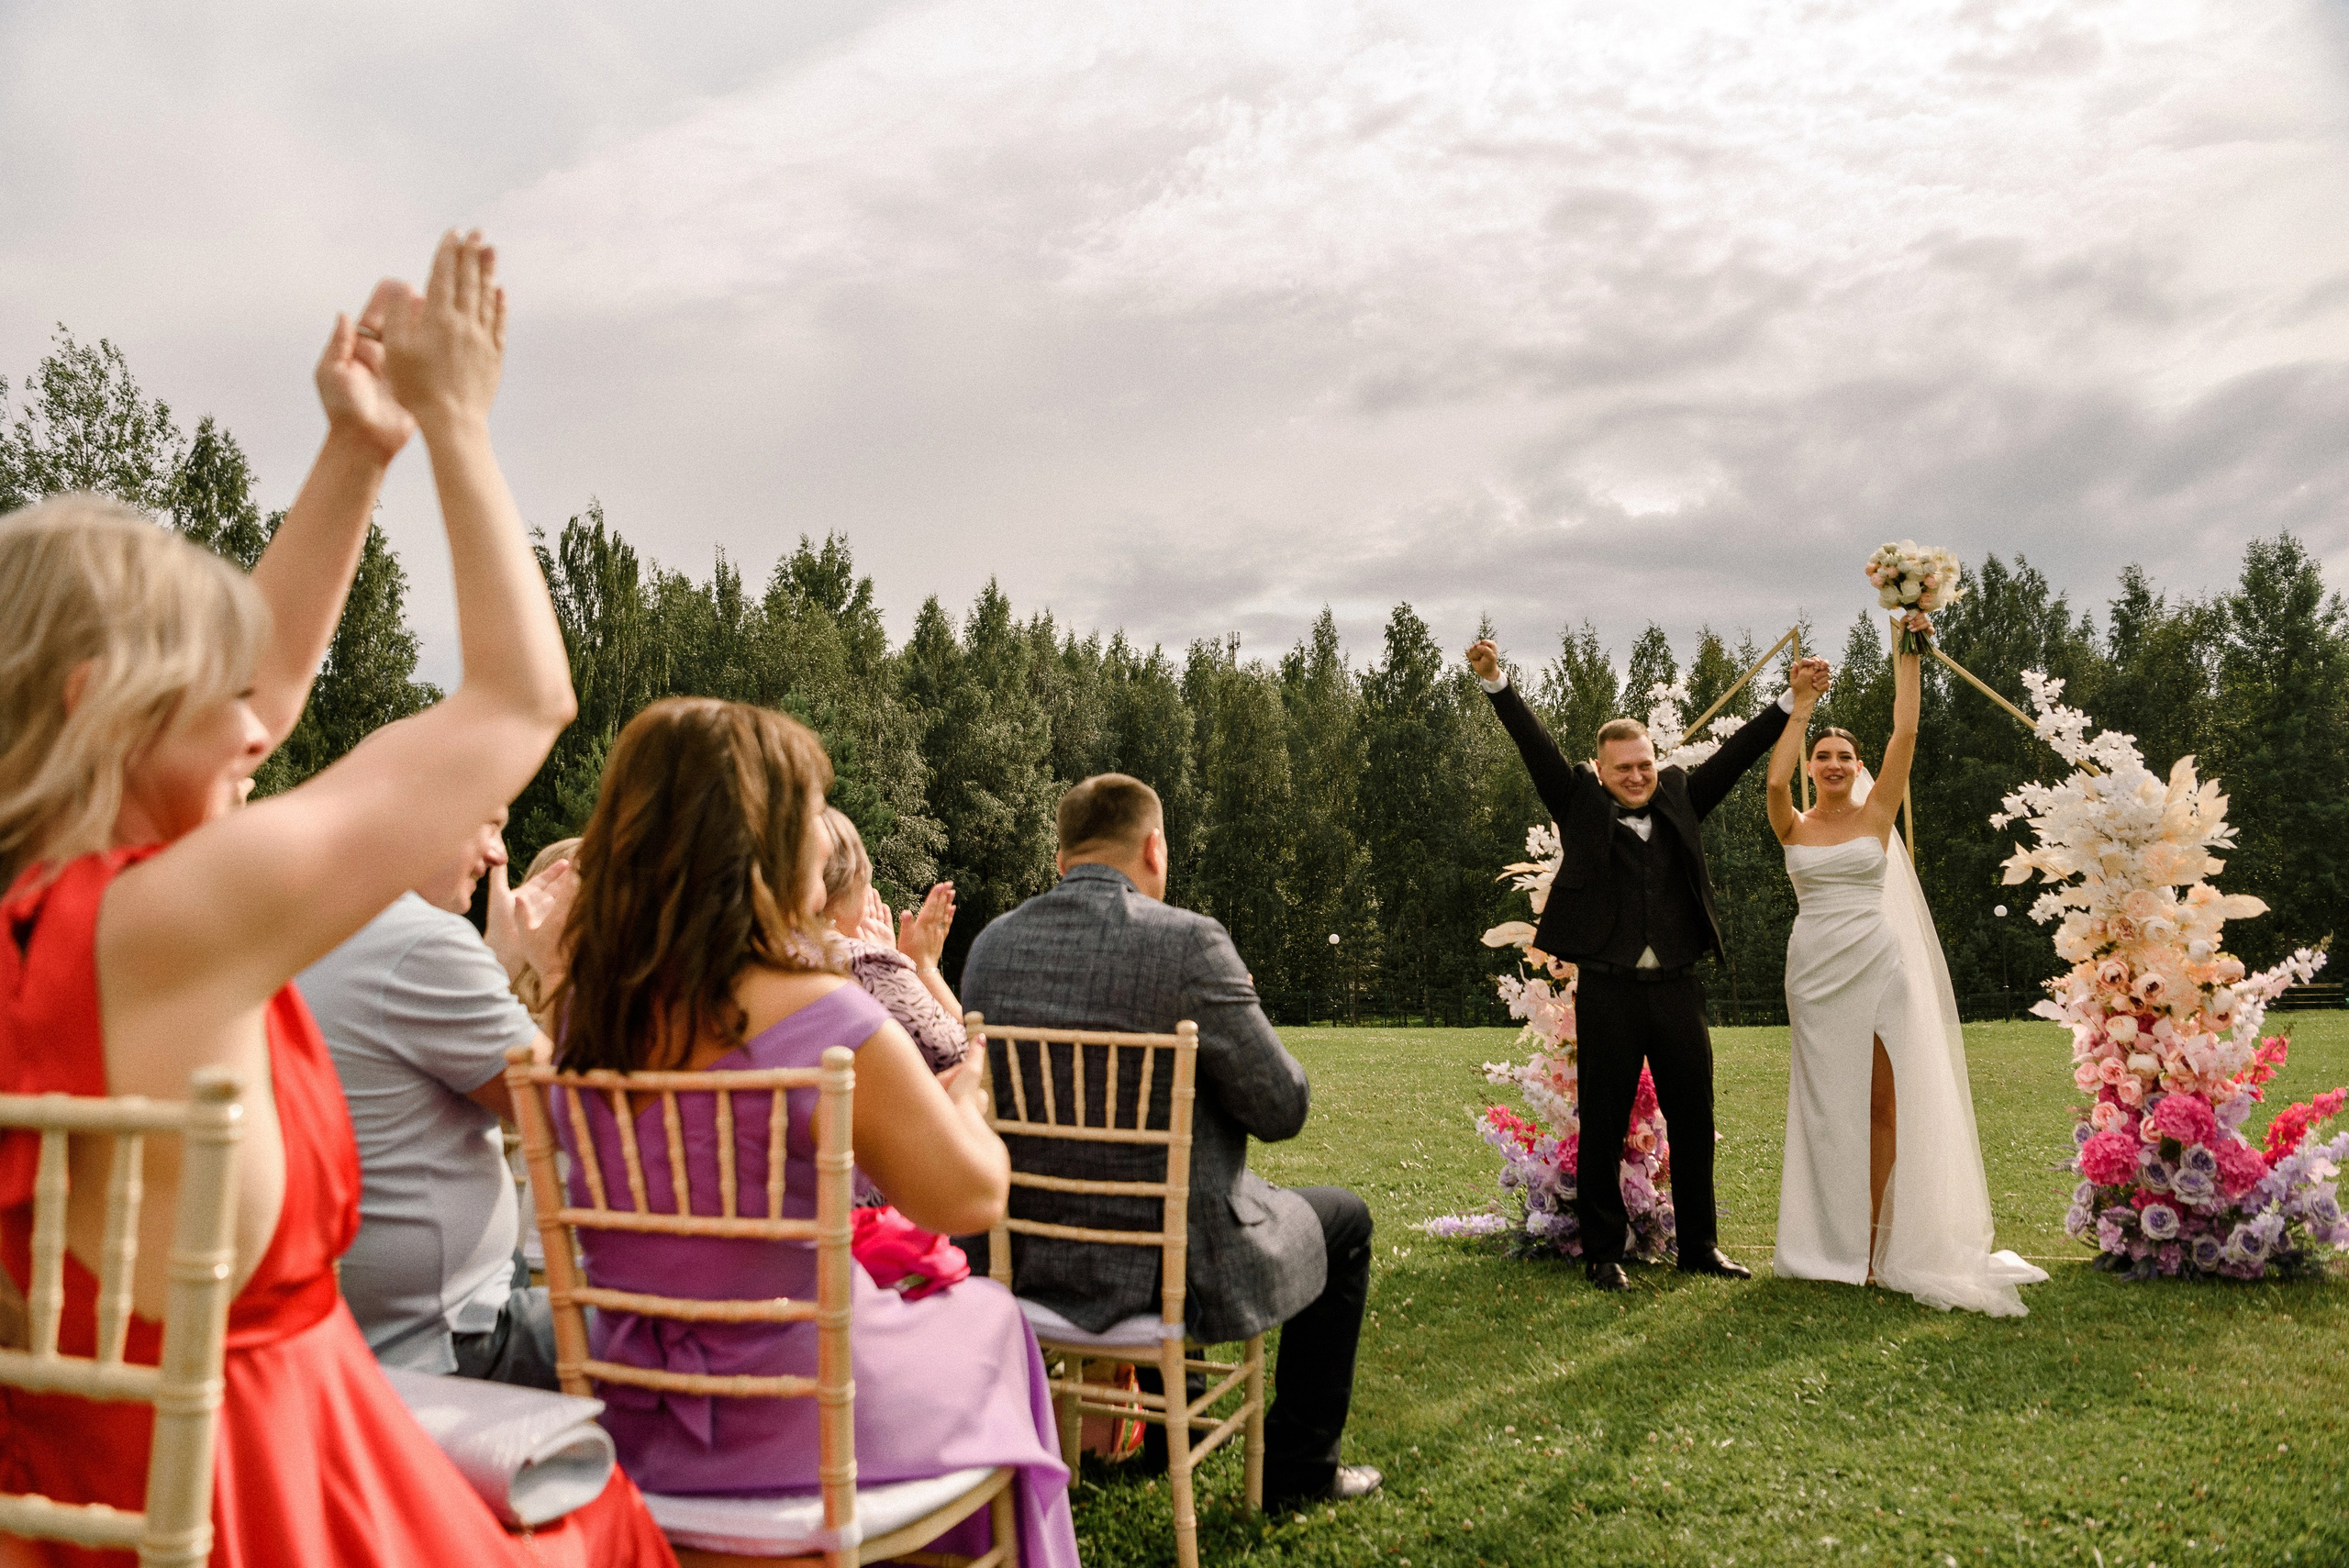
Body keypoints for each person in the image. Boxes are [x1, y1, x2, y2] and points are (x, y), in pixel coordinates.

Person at [0, 232, 672, 1565]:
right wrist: (457, 421)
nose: (262, 728)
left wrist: (358, 452)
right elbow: (520, 700)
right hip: (260, 1492)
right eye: (219, 693)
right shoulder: (167, 920)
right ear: (104, 707)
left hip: (76, 1496)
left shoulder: (53, 916)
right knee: (603, 1525)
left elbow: (263, 694)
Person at [523, 698, 1080, 1568]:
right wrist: (968, 1100)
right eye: (810, 806)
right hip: (799, 1424)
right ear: (766, 838)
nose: (823, 831)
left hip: (635, 1422)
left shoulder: (578, 1018)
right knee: (993, 1318)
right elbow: (971, 1196)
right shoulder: (826, 1016)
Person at [959, 773, 1382, 1512]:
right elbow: (1282, 1107)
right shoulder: (1189, 943)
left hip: (1025, 1257)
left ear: (1062, 858)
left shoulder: (993, 946)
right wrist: (1239, 1005)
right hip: (1169, 1267)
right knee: (1345, 1222)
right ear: (1154, 847)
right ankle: (1298, 1470)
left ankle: (1166, 1439)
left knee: (1167, 1199)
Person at [1464, 637, 1825, 1292]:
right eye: (1623, 768)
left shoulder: (1681, 795)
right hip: (1609, 991)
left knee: (1694, 1119)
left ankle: (1701, 1247)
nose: (1636, 776)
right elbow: (1533, 745)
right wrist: (1497, 682)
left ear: (1657, 763)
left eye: (1645, 765)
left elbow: (1737, 755)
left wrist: (1788, 701)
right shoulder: (1578, 802)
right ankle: (1603, 1253)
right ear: (1600, 771)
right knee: (1602, 1123)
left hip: (1678, 989)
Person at [1766, 615, 2047, 1315]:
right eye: (1822, 755)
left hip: (1876, 963)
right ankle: (1826, 1244)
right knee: (1825, 1110)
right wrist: (1800, 707)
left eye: (1844, 755)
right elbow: (1771, 781)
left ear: (1858, 767)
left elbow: (1907, 732)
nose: (1833, 763)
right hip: (1814, 975)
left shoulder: (1876, 815)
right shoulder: (1792, 822)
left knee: (1882, 1103)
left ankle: (1873, 1246)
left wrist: (1908, 649)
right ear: (1810, 766)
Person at [298, 811, 558, 1387]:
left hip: (364, 1324)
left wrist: (497, 960)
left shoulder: (325, 920)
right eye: (489, 823)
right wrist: (558, 967)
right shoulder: (420, 942)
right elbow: (576, 1116)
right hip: (444, 1341)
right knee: (674, 1340)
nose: (498, 854)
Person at [815, 806, 966, 1073]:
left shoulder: (761, 955)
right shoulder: (869, 963)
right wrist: (919, 966)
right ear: (848, 887)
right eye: (867, 883)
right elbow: (963, 1056)